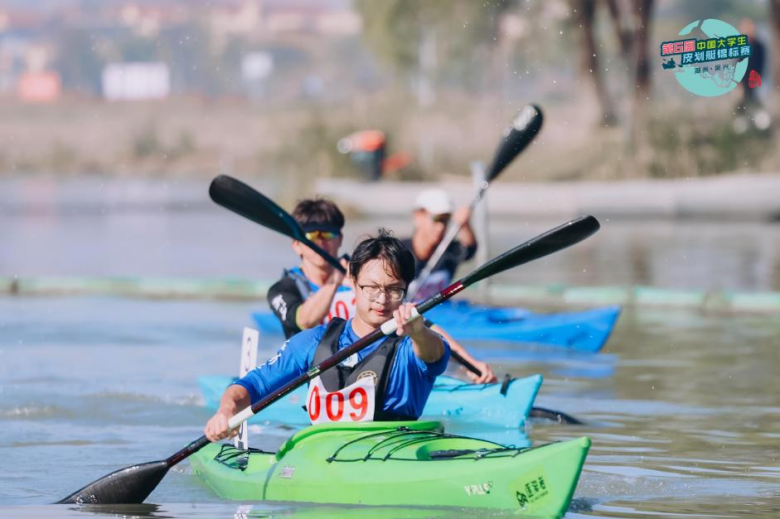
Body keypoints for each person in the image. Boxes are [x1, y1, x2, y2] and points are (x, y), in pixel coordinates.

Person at [205, 231, 450, 440]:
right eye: (372, 287)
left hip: (392, 452)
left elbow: (434, 354)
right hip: (323, 458)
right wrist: (226, 411)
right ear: (352, 281)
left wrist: (419, 333)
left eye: (394, 289)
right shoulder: (313, 342)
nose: (382, 299)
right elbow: (252, 385)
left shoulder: (413, 343)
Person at [401, 188, 497, 384]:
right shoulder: (398, 254)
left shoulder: (448, 251)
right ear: (418, 216)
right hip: (411, 319)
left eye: (446, 221)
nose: (441, 227)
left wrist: (465, 225)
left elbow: (470, 249)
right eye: (437, 219)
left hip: (444, 315)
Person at [266, 198, 354, 339]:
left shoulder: (363, 274)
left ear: (340, 239)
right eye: (311, 236)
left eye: (327, 234)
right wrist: (334, 282)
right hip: (311, 353)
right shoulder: (281, 290)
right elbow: (305, 322)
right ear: (296, 244)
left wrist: (364, 285)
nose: (320, 243)